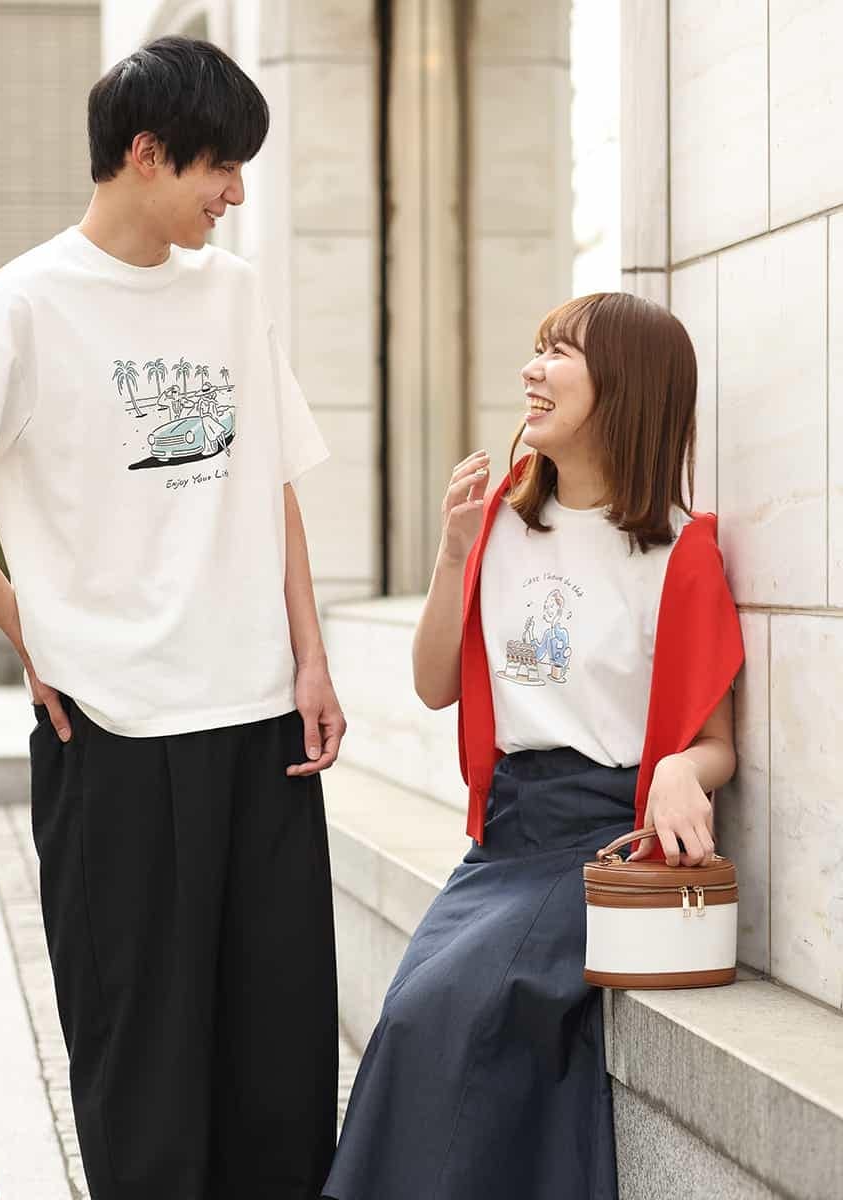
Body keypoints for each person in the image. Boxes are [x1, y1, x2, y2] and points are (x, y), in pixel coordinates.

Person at [0, 35, 345, 1200]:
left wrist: (311, 658)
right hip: (117, 731)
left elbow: (271, 480)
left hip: (261, 722)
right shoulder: (20, 308)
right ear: (146, 153)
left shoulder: (233, 294)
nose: (233, 194)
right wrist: (30, 631)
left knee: (280, 1053)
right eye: (219, 167)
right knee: (142, 1054)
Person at [321, 292, 744, 1199]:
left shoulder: (679, 553)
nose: (531, 369)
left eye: (559, 353)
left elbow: (718, 742)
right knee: (413, 1013)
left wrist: (680, 768)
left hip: (599, 840)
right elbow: (434, 684)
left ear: (626, 386)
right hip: (504, 837)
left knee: (450, 1011)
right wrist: (451, 555)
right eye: (537, 347)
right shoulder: (502, 523)